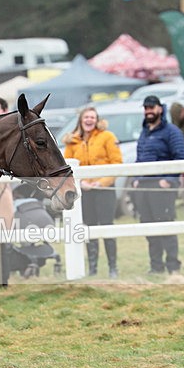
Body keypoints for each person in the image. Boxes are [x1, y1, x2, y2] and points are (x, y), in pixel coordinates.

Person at [63, 107, 123, 278]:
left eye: (92, 117)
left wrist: (101, 182)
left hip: (104, 189)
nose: (89, 120)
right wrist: (81, 183)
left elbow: (117, 163)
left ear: (97, 120)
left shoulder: (107, 137)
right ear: (81, 120)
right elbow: (67, 166)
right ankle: (93, 268)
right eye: (86, 117)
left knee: (107, 225)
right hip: (84, 191)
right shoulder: (72, 141)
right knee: (88, 227)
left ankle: (112, 267)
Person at [132, 96, 184, 274]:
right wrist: (136, 178)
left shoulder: (172, 132)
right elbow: (140, 158)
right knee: (148, 227)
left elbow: (180, 157)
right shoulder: (144, 132)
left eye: (152, 107)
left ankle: (173, 265)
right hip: (144, 186)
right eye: (146, 108)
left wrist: (169, 180)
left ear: (160, 109)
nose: (148, 111)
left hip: (162, 186)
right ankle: (156, 266)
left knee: (166, 225)